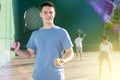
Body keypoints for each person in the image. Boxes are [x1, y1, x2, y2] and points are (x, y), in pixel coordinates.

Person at [11, 1, 74, 80]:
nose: (48, 15)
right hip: (38, 77)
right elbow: (30, 54)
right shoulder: (35, 34)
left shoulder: (62, 32)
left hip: (57, 76)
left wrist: (64, 60)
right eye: (45, 12)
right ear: (40, 14)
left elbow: (70, 52)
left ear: (54, 14)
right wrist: (17, 51)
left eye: (51, 12)